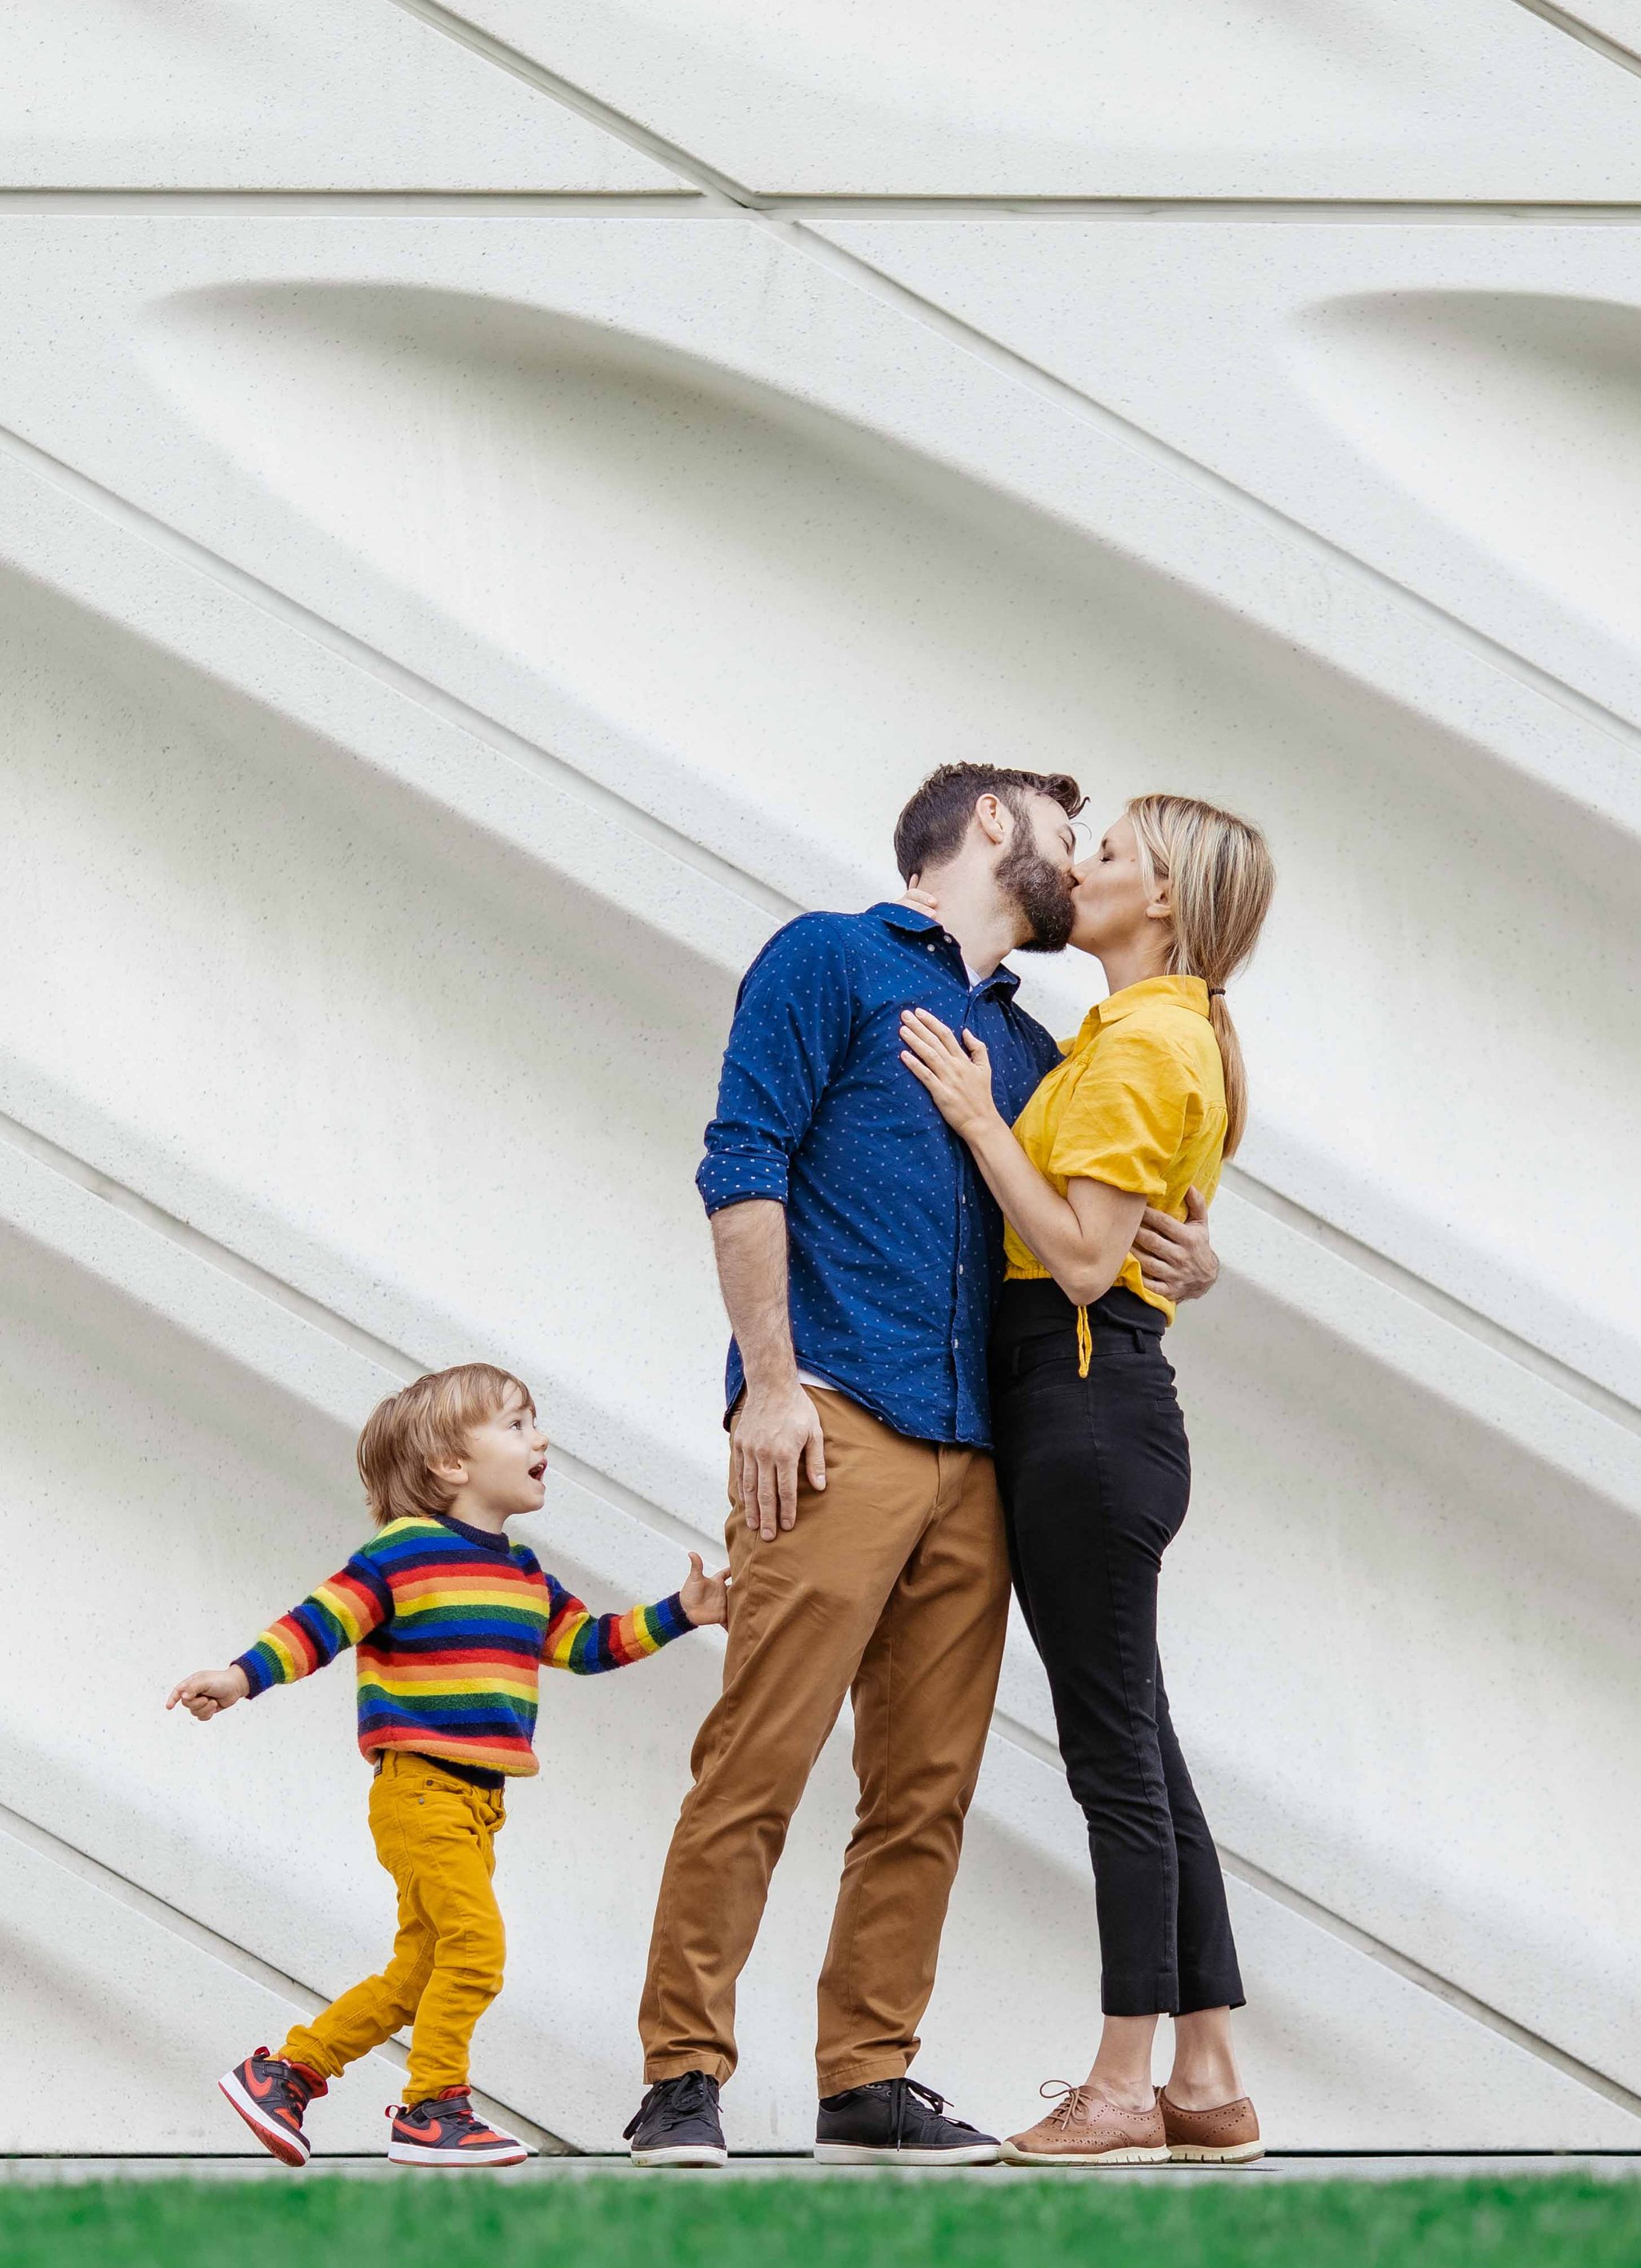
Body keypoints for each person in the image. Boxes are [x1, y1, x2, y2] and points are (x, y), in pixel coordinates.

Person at [626, 765, 1219, 2169]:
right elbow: (741, 1163)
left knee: (925, 1789)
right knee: (757, 1760)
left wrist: (1201, 1262)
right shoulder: (825, 958)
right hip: (837, 1425)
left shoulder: (1034, 1048)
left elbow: (1096, 1221)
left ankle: (868, 2078)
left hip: (984, 1460)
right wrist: (770, 1389)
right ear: (995, 826)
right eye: (1067, 832)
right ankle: (683, 2076)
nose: (1081, 862)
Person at [899, 793, 1273, 2165]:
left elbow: (1074, 1254)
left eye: (1109, 852)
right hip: (1102, 1406)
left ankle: (1122, 2086)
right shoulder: (1142, 1039)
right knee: (1145, 1750)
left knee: (1116, 1761)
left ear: (1162, 902)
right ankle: (1212, 2074)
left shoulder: (1144, 1048)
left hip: (1079, 1407)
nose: (1081, 864)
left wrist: (975, 1112)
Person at [168, 1363, 726, 2169]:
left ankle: (285, 2070)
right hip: (418, 1790)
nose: (542, 1439)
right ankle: (432, 2106)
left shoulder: (524, 1573)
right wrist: (239, 1676)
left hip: (477, 1804)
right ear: (449, 1466)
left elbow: (586, 1644)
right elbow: (316, 1626)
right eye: (518, 1424)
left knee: (419, 1967)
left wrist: (683, 1614)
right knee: (475, 1947)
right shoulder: (401, 1556)